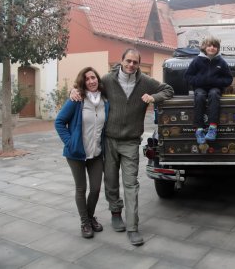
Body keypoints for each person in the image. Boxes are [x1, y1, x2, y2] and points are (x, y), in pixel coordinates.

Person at [70, 48, 174, 246]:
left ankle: (133, 227)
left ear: (139, 64)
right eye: (128, 61)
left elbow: (168, 89)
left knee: (131, 184)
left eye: (135, 62)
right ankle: (115, 213)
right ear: (122, 61)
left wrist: (154, 98)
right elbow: (89, 87)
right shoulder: (108, 80)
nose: (131, 65)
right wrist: (73, 90)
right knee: (110, 181)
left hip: (131, 141)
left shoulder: (146, 82)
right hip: (109, 140)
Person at [55, 67, 109, 238]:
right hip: (76, 153)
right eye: (87, 79)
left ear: (98, 80)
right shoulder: (76, 100)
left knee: (95, 189)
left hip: (96, 153)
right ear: (82, 82)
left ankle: (91, 216)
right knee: (81, 188)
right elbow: (59, 122)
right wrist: (70, 142)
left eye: (93, 77)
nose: (91, 81)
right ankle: (85, 222)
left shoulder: (105, 101)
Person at [184, 36, 233, 144]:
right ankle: (199, 129)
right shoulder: (197, 60)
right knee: (200, 96)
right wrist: (199, 81)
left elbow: (229, 79)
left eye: (215, 46)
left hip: (215, 88)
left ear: (218, 48)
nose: (212, 48)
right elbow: (188, 76)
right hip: (200, 88)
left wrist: (217, 82)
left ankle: (212, 128)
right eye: (209, 45)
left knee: (214, 94)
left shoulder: (221, 62)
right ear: (204, 47)